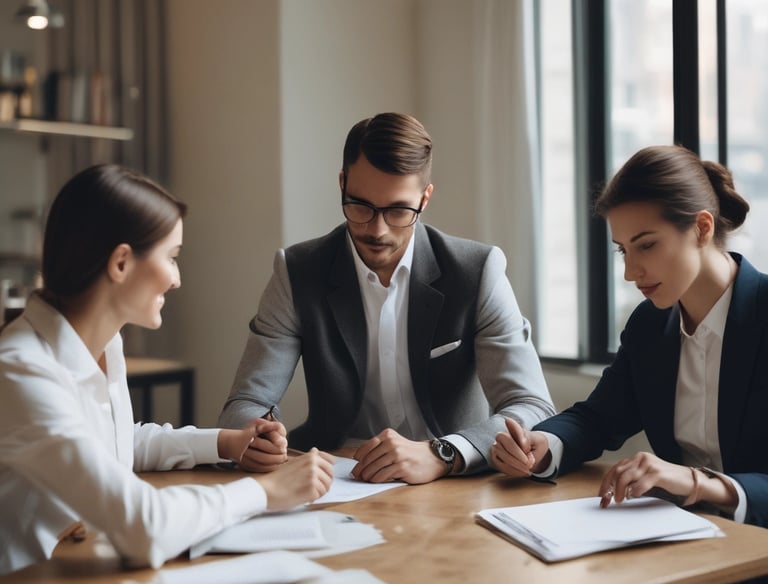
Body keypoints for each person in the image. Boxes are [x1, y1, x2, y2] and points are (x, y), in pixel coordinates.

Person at [0, 164, 335, 575]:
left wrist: (227, 443)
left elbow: (112, 445)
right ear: (121, 263)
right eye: (171, 257)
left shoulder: (103, 342)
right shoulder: (19, 370)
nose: (176, 279)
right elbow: (145, 526)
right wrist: (265, 492)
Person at [218, 112, 555, 484]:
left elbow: (533, 407)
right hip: (335, 478)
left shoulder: (477, 271)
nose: (376, 230)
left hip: (453, 478)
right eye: (360, 205)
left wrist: (444, 452)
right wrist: (256, 434)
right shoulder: (298, 271)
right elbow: (244, 403)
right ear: (342, 184)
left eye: (398, 211)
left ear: (425, 199)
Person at [491, 144, 768, 527]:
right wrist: (544, 445)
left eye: (647, 244)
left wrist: (697, 482)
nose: (630, 272)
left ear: (702, 228)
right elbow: (599, 418)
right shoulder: (650, 326)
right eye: (623, 251)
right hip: (682, 536)